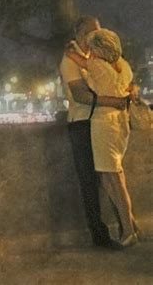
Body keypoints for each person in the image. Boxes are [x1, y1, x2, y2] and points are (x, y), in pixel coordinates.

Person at [59, 16, 129, 249]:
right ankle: (101, 234)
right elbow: (81, 96)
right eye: (93, 32)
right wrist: (115, 101)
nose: (97, 36)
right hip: (82, 124)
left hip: (100, 123)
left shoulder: (96, 58)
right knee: (91, 181)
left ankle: (126, 228)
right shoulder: (70, 62)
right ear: (80, 34)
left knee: (110, 177)